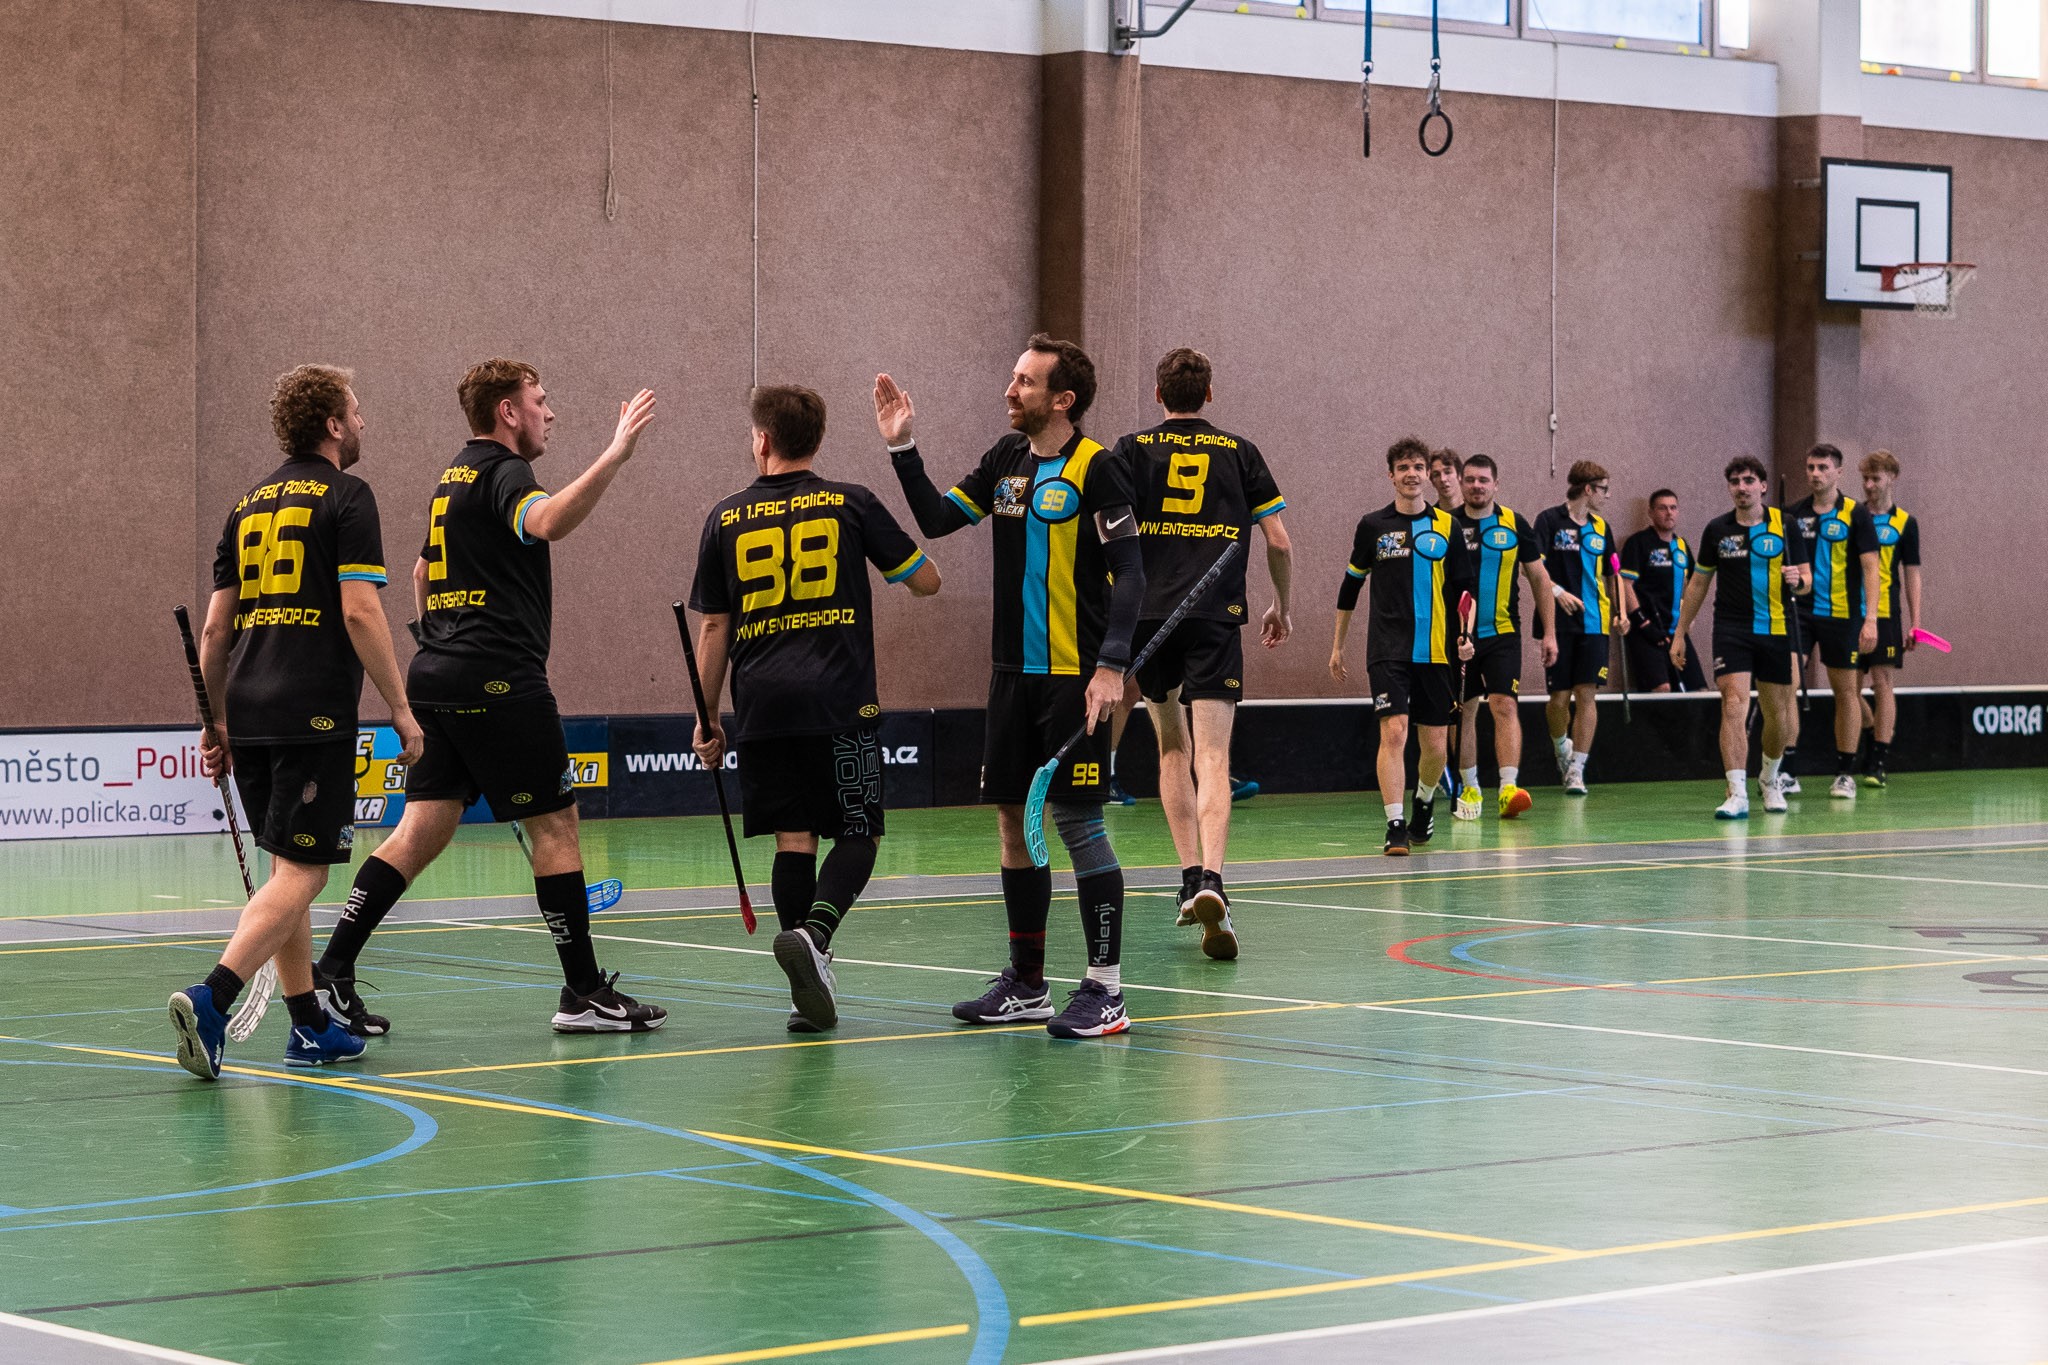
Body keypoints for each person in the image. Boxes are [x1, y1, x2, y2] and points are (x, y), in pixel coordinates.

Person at [311, 359, 667, 1035]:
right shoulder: (507, 473)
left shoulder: (453, 477)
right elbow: (548, 521)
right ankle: (583, 994)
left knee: (420, 830)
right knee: (555, 828)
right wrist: (616, 453)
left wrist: (441, 643)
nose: (549, 413)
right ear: (508, 411)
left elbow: (421, 573)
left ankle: (333, 968)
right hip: (500, 677)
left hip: (436, 674)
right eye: (540, 400)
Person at [875, 336, 1147, 1039]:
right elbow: (939, 519)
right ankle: (1027, 984)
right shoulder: (1004, 460)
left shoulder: (1100, 469)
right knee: (1012, 820)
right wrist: (903, 448)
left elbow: (1132, 573)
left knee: (1078, 823)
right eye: (1014, 377)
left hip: (1073, 678)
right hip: (1010, 676)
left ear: (1062, 400)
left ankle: (1107, 990)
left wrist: (1111, 666)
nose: (1010, 389)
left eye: (1025, 381)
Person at [169, 365, 424, 1080]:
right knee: (307, 873)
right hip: (311, 709)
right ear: (333, 425)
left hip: (249, 709)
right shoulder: (349, 496)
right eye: (356, 410)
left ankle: (308, 1024)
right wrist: (401, 708)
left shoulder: (244, 507)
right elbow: (360, 609)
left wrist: (216, 720)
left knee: (286, 867)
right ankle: (213, 998)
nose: (363, 421)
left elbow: (215, 631)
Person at [688, 385, 940, 1032]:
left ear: (763, 440)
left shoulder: (725, 517)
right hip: (840, 702)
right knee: (859, 832)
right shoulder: (852, 503)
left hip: (763, 706)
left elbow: (713, 627)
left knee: (793, 838)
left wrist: (707, 718)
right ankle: (816, 937)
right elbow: (926, 580)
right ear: (817, 440)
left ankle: (809, 984)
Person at [1111, 347, 1291, 960]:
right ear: (1209, 393)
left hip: (1149, 617)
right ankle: (1214, 878)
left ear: (1158, 394)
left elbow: (1105, 536)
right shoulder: (1240, 452)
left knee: (1171, 747)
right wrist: (1281, 605)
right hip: (1214, 617)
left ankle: (1189, 876)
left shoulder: (1130, 450)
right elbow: (1280, 543)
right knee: (1214, 754)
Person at [1329, 437, 1474, 856]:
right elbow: (1350, 587)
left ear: (1428, 474)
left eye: (1418, 467)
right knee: (1394, 730)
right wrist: (1338, 646)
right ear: (1391, 475)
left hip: (1437, 651)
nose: (1412, 474)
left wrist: (1465, 636)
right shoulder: (1373, 526)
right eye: (1403, 467)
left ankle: (1423, 803)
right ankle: (1394, 824)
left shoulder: (1448, 527)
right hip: (1387, 648)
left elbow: (1464, 590)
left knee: (1435, 746)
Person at [1670, 456, 1812, 819]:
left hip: (1776, 628)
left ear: (1763, 486)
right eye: (1735, 482)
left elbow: (1807, 581)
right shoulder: (1717, 530)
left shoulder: (1786, 525)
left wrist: (1797, 580)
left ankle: (1769, 779)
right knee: (1733, 704)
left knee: (1777, 715)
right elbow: (1698, 583)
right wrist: (1680, 632)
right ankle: (1736, 792)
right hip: (1732, 629)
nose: (1741, 487)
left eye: (1749, 480)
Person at [1448, 454, 1555, 822]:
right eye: (1470, 479)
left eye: (1484, 480)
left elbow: (1539, 579)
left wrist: (1549, 634)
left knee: (1504, 705)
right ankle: (1470, 787)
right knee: (1464, 711)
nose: (1477, 486)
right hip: (1457, 637)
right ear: (1461, 484)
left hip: (1503, 633)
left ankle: (1508, 788)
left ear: (1496, 484)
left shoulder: (1515, 524)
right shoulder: (1447, 524)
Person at [1785, 443, 1882, 800]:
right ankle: (1787, 769)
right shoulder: (1791, 514)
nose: (1815, 473)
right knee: (1787, 686)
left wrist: (1871, 620)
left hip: (1842, 614)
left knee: (1846, 692)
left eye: (1823, 467)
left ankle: (1844, 772)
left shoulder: (1857, 514)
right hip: (1798, 613)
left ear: (1838, 472)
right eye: (1811, 467)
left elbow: (1871, 569)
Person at [1534, 460, 1626, 796]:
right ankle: (1562, 747)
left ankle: (1577, 769)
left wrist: (1621, 611)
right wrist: (1557, 592)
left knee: (1587, 694)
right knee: (1559, 698)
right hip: (1558, 623)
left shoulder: (1602, 528)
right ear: (1588, 489)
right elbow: (1534, 568)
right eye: (1604, 489)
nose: (1607, 496)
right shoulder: (1549, 520)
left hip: (1594, 624)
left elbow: (1613, 572)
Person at [1856, 450, 1922, 788]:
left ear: (1891, 478)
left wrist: (1915, 621)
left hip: (1885, 614)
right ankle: (1869, 730)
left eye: (1875, 479)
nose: (1869, 485)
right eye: (1865, 479)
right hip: (1849, 612)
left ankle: (1878, 760)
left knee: (1882, 682)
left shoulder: (1905, 523)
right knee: (1848, 689)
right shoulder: (1854, 516)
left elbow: (1911, 573)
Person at [1619, 489, 1706, 693]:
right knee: (1662, 689)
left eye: (1673, 508)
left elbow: (1695, 584)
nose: (1669, 513)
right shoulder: (1638, 543)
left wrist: (1689, 615)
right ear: (1651, 512)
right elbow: (1625, 585)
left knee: (1699, 690)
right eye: (1663, 508)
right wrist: (1643, 622)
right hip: (1646, 630)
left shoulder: (1681, 546)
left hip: (1676, 630)